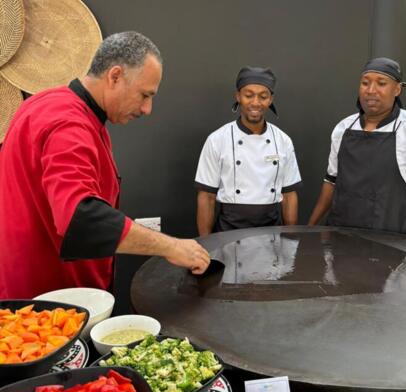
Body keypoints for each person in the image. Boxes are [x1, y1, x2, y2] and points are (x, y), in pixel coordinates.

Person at [0, 31, 210, 299]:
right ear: (115, 76)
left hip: (33, 290)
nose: (148, 109)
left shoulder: (46, 102)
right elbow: (81, 218)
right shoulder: (68, 124)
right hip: (50, 309)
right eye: (145, 95)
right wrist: (171, 247)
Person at [308, 57, 406, 239]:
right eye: (365, 83)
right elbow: (331, 182)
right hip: (340, 240)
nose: (371, 90)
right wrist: (310, 227)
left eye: (381, 83)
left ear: (397, 89)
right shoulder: (343, 128)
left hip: (392, 244)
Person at [194, 66, 302, 235]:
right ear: (238, 96)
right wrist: (206, 246)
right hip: (229, 232)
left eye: (263, 96)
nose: (256, 103)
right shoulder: (217, 139)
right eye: (248, 95)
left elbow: (289, 196)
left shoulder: (283, 141)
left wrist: (291, 239)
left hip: (272, 232)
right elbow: (206, 197)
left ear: (271, 99)